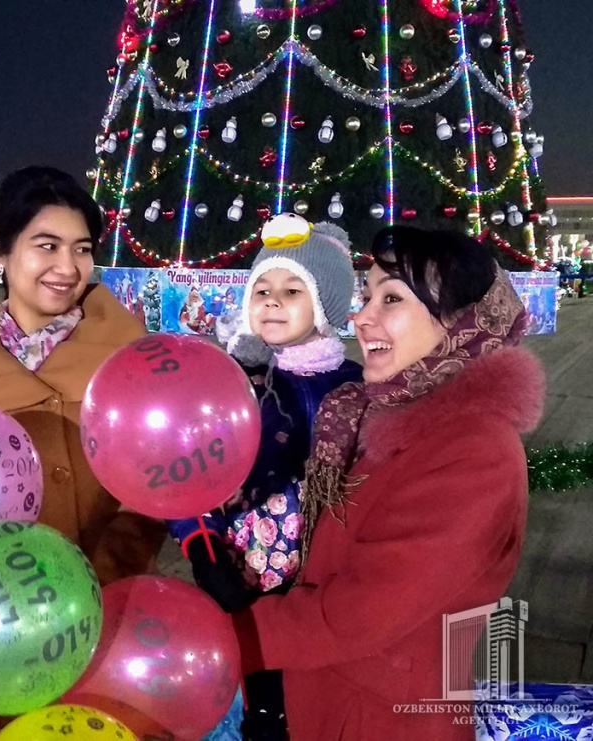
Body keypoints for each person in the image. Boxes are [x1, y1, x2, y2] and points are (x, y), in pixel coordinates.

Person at [227, 226, 544, 740]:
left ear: (460, 324)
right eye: (367, 296)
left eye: (391, 298)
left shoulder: (474, 452)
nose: (361, 317)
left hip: (384, 719)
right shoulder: (371, 414)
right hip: (329, 698)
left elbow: (357, 613)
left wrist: (223, 634)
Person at [169, 216, 362, 740]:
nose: (272, 301)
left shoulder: (357, 388)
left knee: (314, 699)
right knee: (253, 696)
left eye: (293, 291)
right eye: (262, 289)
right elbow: (182, 469)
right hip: (240, 576)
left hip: (326, 586)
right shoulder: (229, 382)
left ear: (326, 305)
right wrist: (200, 544)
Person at [0, 166, 166, 586]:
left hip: (115, 595)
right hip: (5, 598)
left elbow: (155, 480)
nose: (68, 267)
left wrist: (108, 571)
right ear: (0, 253)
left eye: (82, 249)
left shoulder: (128, 355)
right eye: (48, 246)